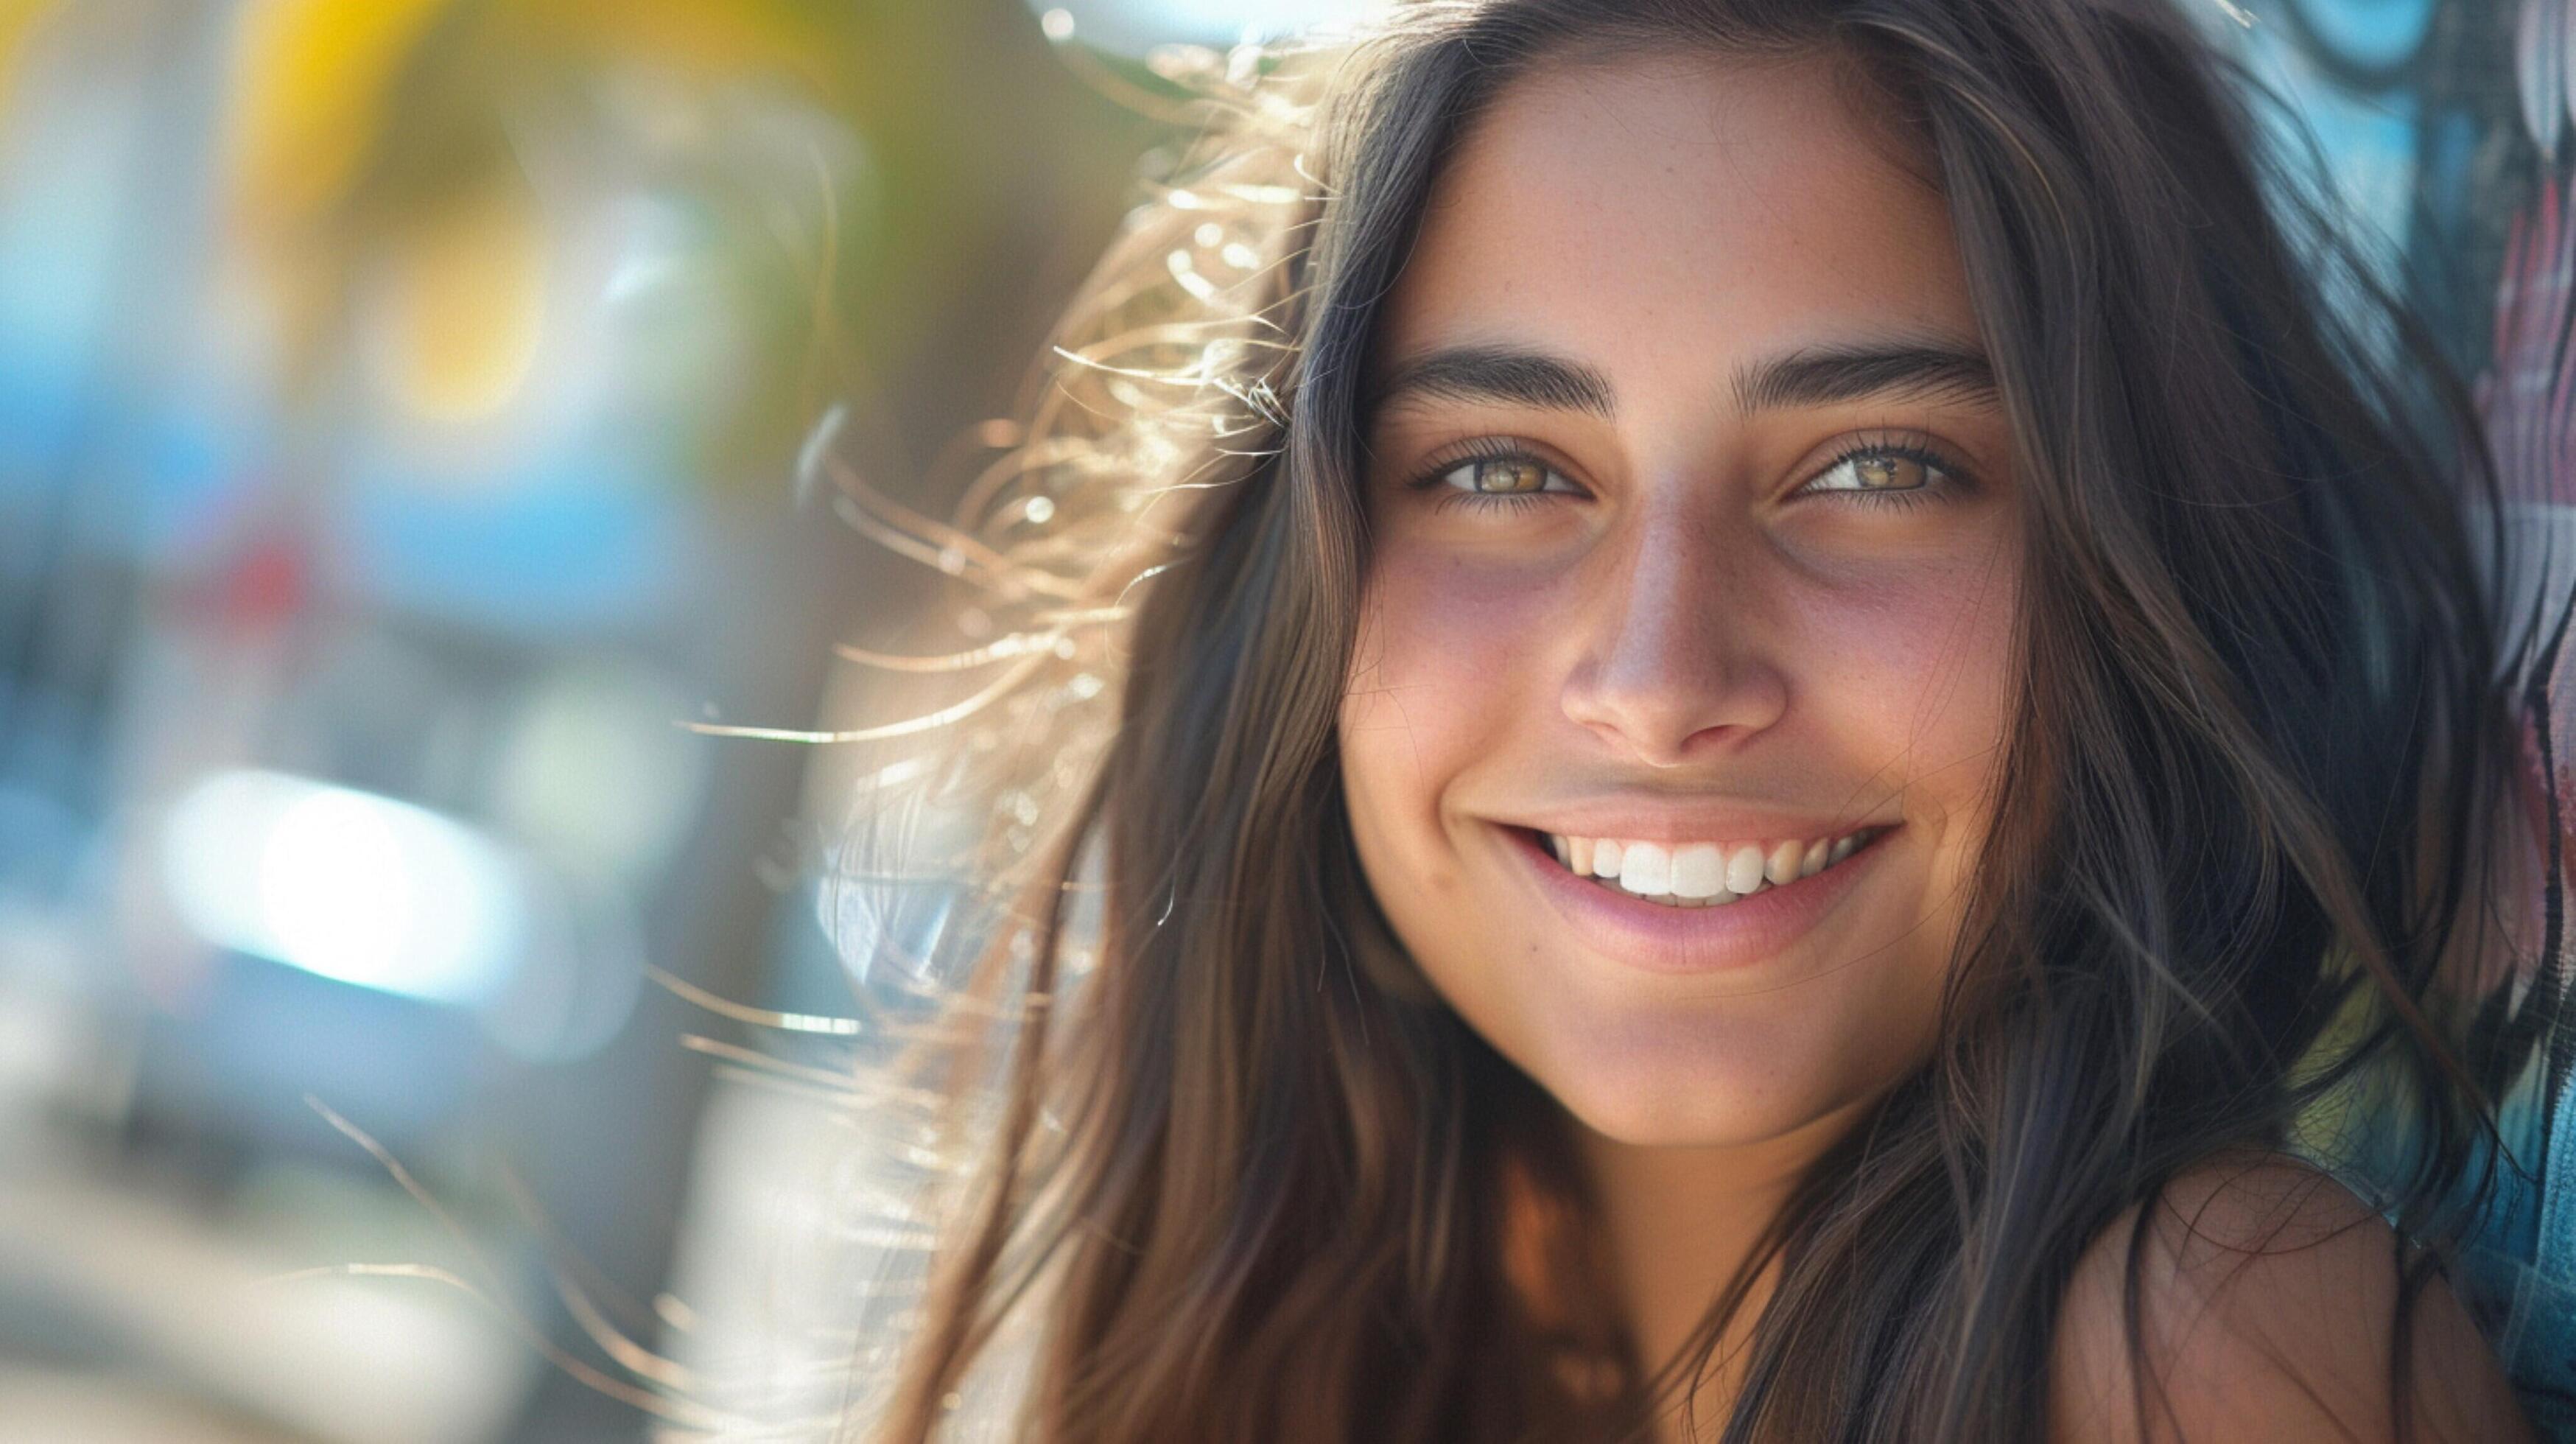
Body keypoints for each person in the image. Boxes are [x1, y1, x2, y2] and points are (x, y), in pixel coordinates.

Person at [827, 0, 2550, 1437]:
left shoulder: (2188, 1348)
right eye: (1500, 470)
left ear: (2143, 554)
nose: (1660, 679)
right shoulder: (1346, 1347)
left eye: (1877, 467)